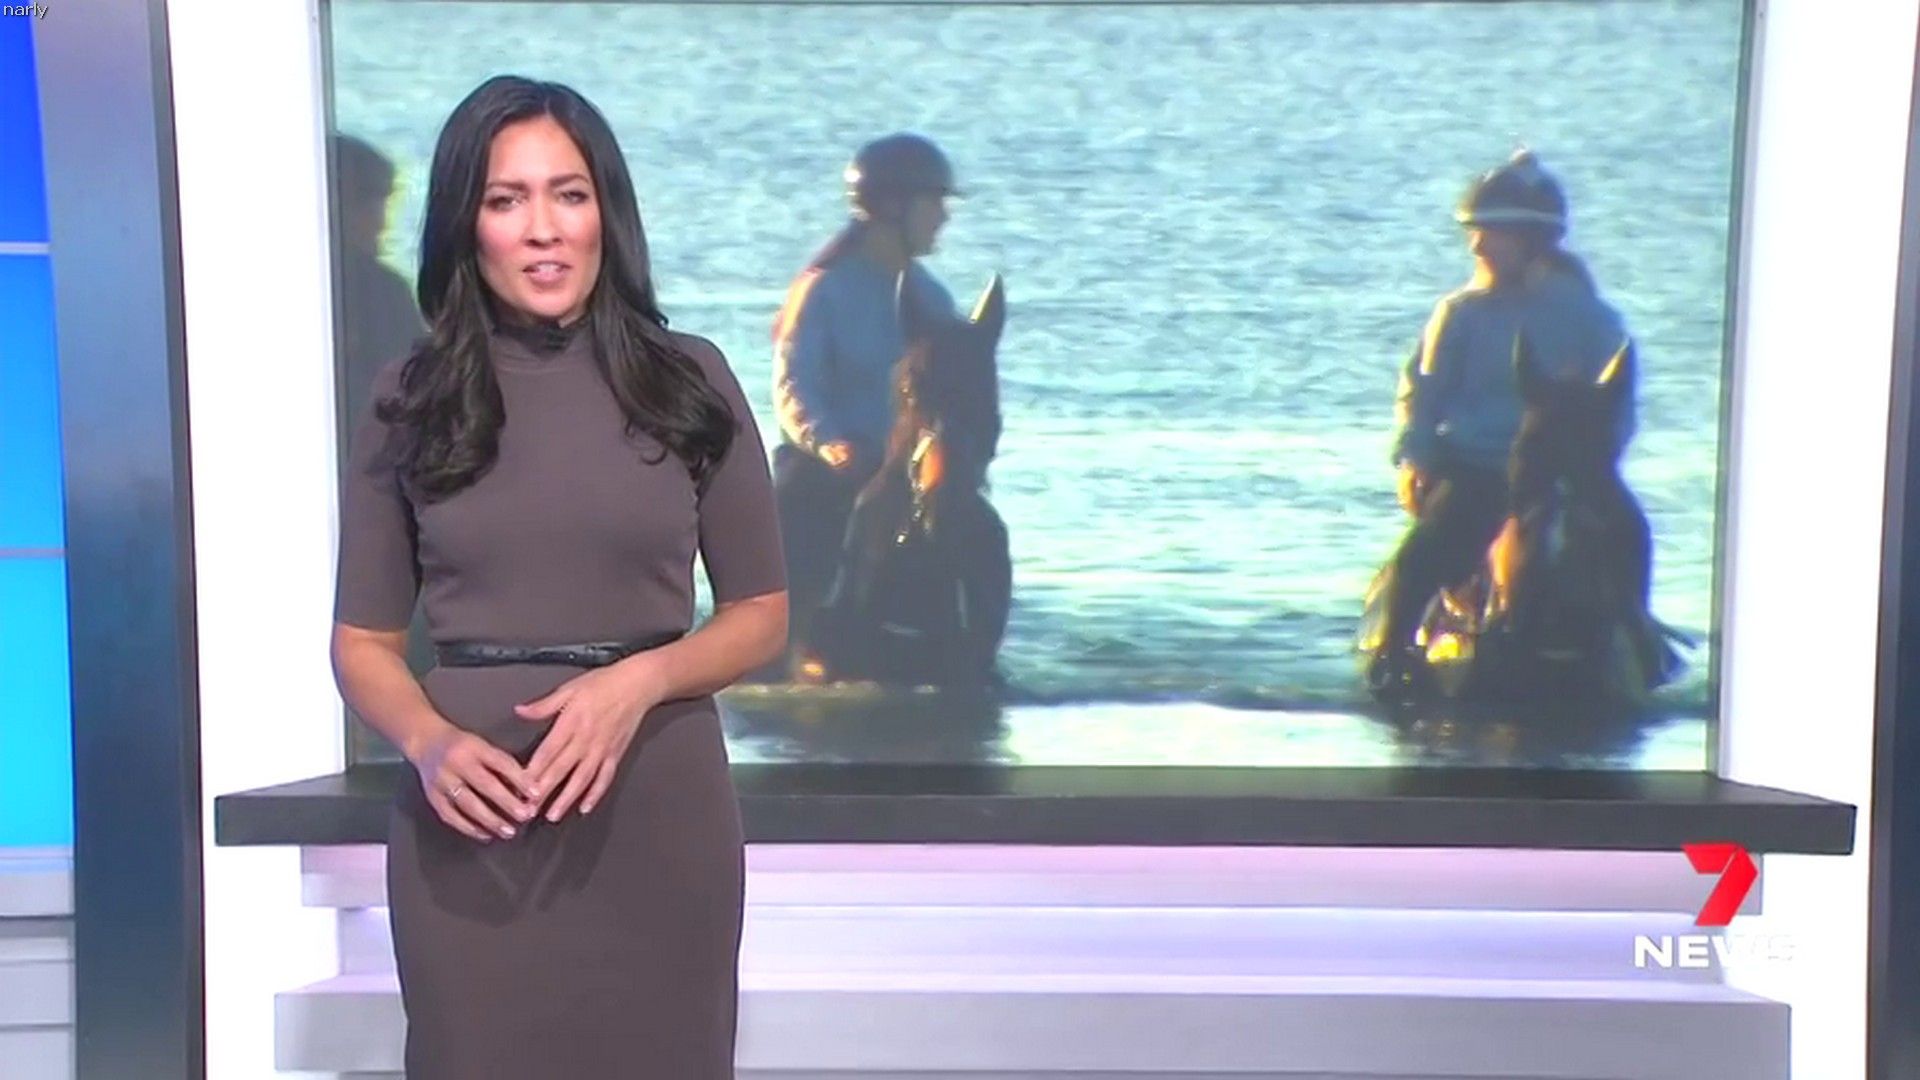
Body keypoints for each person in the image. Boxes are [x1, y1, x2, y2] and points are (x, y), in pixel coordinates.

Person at [329, 75, 787, 1078]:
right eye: (508, 200)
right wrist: (429, 745)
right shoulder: (410, 397)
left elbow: (760, 614)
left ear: (605, 213)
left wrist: (640, 682)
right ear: (467, 225)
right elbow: (362, 644)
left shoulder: (689, 380)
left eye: (569, 195)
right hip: (471, 819)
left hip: (657, 813)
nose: (544, 228)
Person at [1370, 149, 1638, 697]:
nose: (1476, 246)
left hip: (1564, 469)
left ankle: (1635, 639)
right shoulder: (1460, 314)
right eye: (1475, 233)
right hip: (1479, 469)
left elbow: (1618, 405)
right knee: (1422, 555)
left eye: (1491, 234)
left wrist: (1595, 460)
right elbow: (1423, 394)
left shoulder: (1592, 319)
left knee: (1631, 532)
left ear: (1533, 241)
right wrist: (1416, 460)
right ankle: (1391, 657)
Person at [768, 132, 961, 674]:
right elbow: (793, 384)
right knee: (798, 521)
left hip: (906, 470)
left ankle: (968, 647)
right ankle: (781, 646)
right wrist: (831, 444)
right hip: (832, 465)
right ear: (894, 207)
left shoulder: (934, 299)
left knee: (979, 531)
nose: (943, 217)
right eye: (934, 202)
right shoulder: (823, 290)